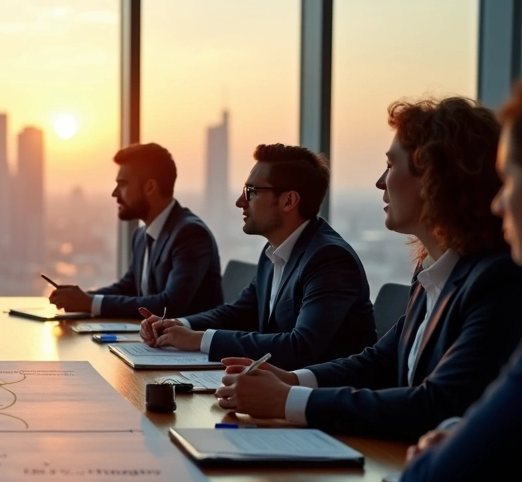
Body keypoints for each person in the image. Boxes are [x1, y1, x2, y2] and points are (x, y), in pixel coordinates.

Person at [214, 97, 522, 440]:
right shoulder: (434, 271)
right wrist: (292, 380)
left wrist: (289, 400)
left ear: (434, 177)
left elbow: (438, 403)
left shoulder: (496, 280)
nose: (380, 182)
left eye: (391, 165)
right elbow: (380, 361)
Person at [395, 82, 522, 482]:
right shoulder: (431, 270)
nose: (498, 201)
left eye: (510, 180)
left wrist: (446, 447)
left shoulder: (497, 280)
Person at [140, 144, 376, 370]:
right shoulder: (273, 252)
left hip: (321, 403)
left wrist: (200, 340)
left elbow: (300, 347)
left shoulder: (329, 259)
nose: (240, 202)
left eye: (250, 192)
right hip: (275, 390)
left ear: (289, 201)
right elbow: (240, 312)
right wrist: (180, 325)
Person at [48, 143, 223, 317]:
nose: (115, 193)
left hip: (187, 343)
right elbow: (129, 287)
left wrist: (90, 303)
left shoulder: (190, 234)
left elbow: (169, 305)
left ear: (149, 188)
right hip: (154, 340)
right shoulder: (141, 235)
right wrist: (81, 298)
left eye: (122, 184)